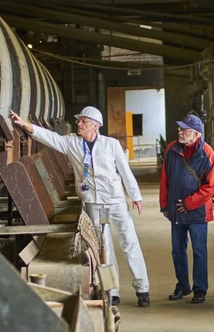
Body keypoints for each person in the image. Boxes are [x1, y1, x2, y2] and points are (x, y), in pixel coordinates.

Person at [9, 107, 151, 307]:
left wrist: (135, 195)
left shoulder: (111, 145)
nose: (79, 124)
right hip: (93, 202)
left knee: (130, 242)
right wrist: (27, 126)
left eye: (83, 121)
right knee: (103, 247)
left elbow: (125, 171)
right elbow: (50, 137)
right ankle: (112, 290)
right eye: (79, 121)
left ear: (95, 125)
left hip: (115, 201)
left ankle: (142, 288)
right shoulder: (72, 143)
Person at [160, 114, 214, 304]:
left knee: (199, 251)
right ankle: (182, 286)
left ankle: (200, 289)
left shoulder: (208, 154)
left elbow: (210, 187)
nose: (180, 132)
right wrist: (164, 205)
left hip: (197, 210)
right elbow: (165, 179)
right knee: (177, 249)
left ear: (195, 133)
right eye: (179, 129)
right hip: (176, 209)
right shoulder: (171, 149)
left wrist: (189, 203)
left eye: (184, 130)